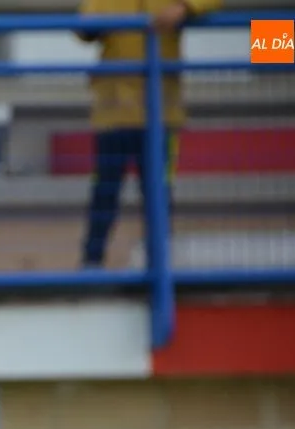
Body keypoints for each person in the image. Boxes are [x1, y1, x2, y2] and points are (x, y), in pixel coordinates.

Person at [76, 0, 221, 267]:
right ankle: (91, 263)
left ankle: (158, 266)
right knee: (105, 192)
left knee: (157, 194)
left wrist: (186, 7)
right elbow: (84, 28)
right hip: (114, 110)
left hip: (160, 113)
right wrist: (90, 27)